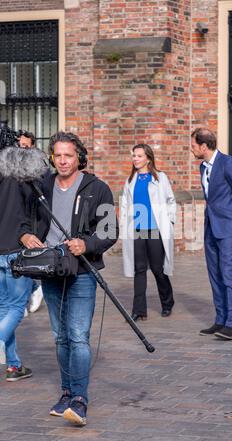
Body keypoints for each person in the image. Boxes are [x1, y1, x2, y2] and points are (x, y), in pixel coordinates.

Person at [20, 131, 118, 426]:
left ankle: (79, 398)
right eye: (58, 155)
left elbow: (109, 229)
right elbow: (24, 219)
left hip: (82, 272)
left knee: (77, 336)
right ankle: (65, 392)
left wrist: (86, 244)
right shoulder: (41, 185)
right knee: (60, 337)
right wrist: (25, 234)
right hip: (49, 269)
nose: (63, 161)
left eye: (69, 155)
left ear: (80, 158)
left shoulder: (97, 188)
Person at [191, 127, 232, 340]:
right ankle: (221, 320)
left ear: (204, 146)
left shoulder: (228, 164)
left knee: (227, 272)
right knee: (214, 274)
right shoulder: (202, 167)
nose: (192, 149)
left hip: (228, 227)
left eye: (194, 145)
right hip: (210, 226)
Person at [121, 143, 176, 321]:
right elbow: (124, 206)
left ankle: (167, 303)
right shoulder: (130, 180)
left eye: (138, 156)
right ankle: (139, 310)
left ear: (148, 158)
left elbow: (170, 200)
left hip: (155, 230)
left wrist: (170, 221)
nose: (135, 159)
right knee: (139, 270)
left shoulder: (160, 178)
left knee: (158, 269)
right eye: (134, 156)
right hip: (136, 230)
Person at [0, 147, 33, 381]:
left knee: (4, 308)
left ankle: (13, 365)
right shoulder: (21, 176)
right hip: (16, 251)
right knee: (16, 307)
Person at [17, 130, 44, 314]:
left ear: (32, 147)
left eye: (26, 146)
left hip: (31, 219)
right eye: (20, 146)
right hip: (15, 219)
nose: (22, 149)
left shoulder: (38, 167)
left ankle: (26, 297)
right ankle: (32, 290)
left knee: (23, 259)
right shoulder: (9, 166)